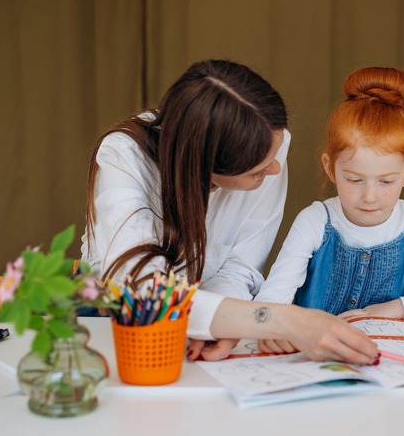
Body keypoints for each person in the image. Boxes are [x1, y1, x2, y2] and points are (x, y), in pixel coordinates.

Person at [81, 59, 378, 364]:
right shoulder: (124, 156)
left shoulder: (268, 144)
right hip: (110, 323)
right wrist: (289, 320)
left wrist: (224, 325)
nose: (275, 169)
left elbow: (240, 267)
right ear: (205, 165)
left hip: (205, 325)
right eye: (257, 173)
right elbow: (144, 293)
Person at [253, 66, 404, 353]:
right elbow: (272, 300)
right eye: (355, 180)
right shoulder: (314, 221)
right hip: (315, 361)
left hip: (390, 364)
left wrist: (398, 308)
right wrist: (272, 324)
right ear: (329, 167)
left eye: (386, 181)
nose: (370, 196)